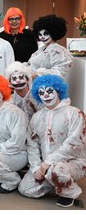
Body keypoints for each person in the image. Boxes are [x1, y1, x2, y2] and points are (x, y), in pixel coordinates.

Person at [18, 75, 86, 207]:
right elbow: (32, 145)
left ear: (58, 91)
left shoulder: (74, 113)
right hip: (45, 165)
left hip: (72, 162)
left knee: (57, 170)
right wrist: (36, 167)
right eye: (41, 92)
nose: (45, 95)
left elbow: (73, 144)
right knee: (25, 189)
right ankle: (57, 183)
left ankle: (69, 193)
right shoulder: (37, 117)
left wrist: (48, 163)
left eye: (49, 91)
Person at [28, 14, 73, 81]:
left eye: (46, 34)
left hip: (48, 84)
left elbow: (59, 71)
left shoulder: (56, 49)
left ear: (53, 33)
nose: (42, 37)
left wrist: (38, 73)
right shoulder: (42, 48)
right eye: (40, 34)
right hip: (36, 83)